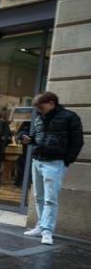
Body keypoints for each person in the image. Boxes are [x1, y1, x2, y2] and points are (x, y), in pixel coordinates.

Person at [22, 91, 83, 245]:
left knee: (50, 199)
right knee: (39, 197)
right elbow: (37, 137)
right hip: (37, 160)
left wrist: (66, 161)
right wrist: (29, 140)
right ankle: (41, 227)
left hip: (55, 162)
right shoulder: (39, 118)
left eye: (41, 107)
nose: (40, 111)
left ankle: (47, 231)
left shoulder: (70, 117)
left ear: (51, 103)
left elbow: (78, 142)